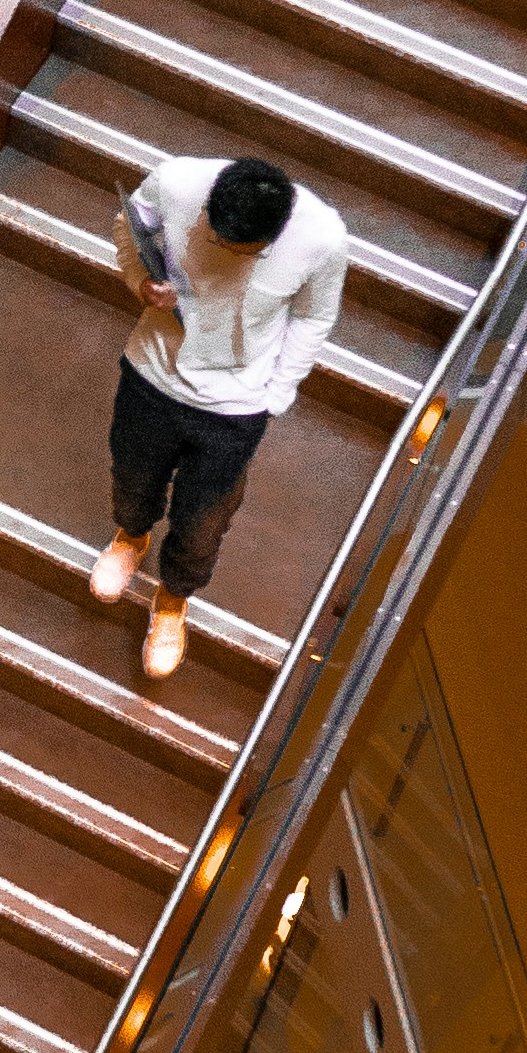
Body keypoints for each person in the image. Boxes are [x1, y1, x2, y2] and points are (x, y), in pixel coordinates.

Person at [88, 150, 348, 680]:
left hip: (236, 406)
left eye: (241, 250)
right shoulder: (176, 182)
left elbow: (313, 318)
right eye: (218, 241)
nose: (225, 254)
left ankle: (172, 602)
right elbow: (126, 227)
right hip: (153, 373)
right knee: (132, 479)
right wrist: (141, 283)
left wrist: (275, 394)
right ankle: (130, 538)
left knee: (204, 521)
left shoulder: (322, 239)